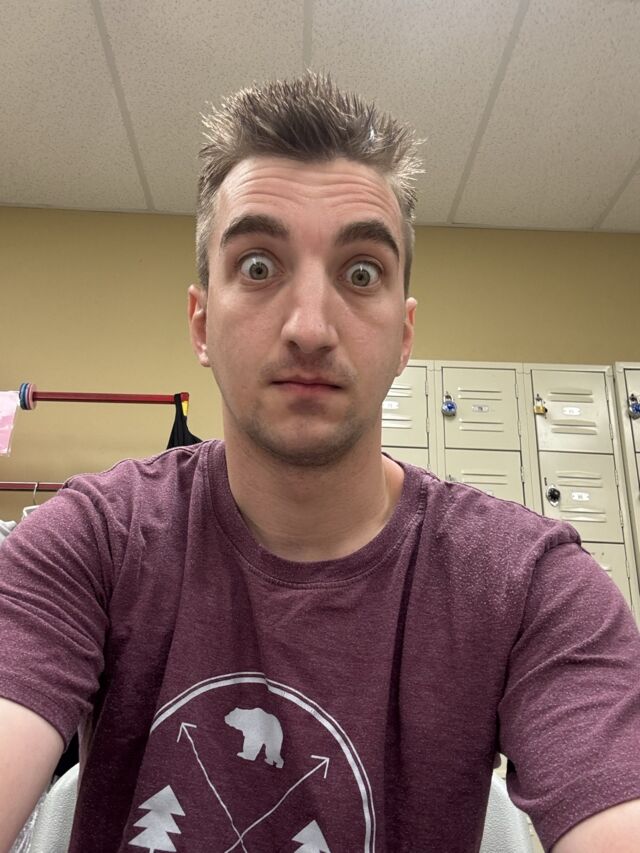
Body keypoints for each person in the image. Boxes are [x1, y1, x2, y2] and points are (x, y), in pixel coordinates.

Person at [1, 73, 639, 853]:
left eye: (360, 272)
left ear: (404, 335)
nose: (309, 327)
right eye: (258, 266)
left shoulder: (529, 585)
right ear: (201, 323)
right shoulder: (93, 539)